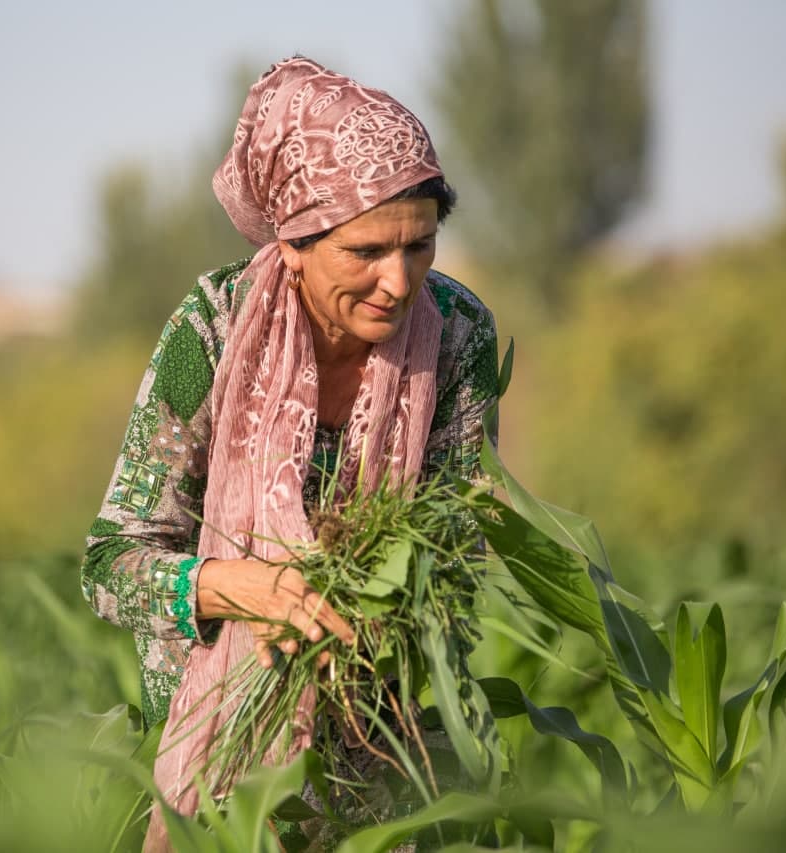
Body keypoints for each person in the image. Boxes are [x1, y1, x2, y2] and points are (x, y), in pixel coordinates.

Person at [79, 56, 500, 848]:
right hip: (220, 752)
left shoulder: (458, 337)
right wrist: (242, 588)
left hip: (387, 741)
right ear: (295, 242)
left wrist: (376, 608)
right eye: (367, 251)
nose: (398, 281)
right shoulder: (212, 330)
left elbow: (457, 553)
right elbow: (110, 566)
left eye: (419, 246)